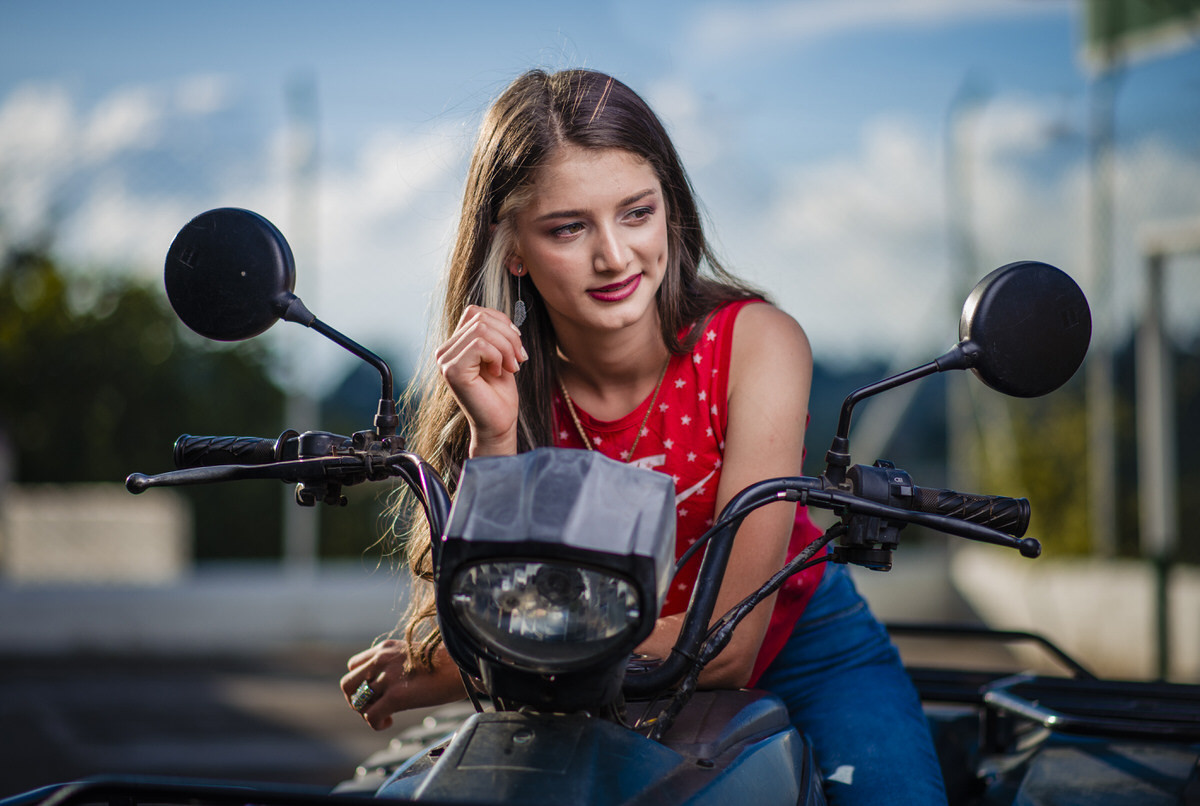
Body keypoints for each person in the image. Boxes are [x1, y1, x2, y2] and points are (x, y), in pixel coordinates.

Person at [341, 68, 947, 804]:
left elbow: (726, 643)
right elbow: (491, 611)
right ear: (512, 248)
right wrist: (491, 436)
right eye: (569, 227)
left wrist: (458, 668)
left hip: (799, 650)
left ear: (671, 211)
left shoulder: (757, 343)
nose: (615, 256)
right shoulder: (496, 383)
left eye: (636, 213)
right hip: (586, 681)